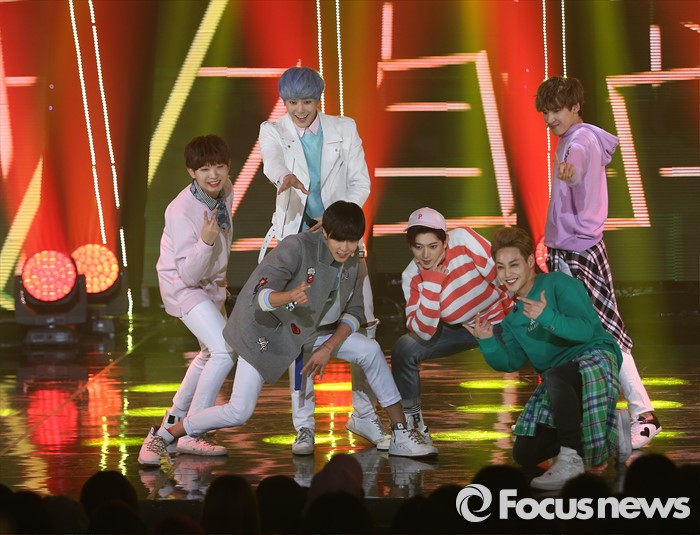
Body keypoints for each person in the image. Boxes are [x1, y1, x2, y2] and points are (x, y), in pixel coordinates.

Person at [137, 201, 437, 464]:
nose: (345, 248)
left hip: (313, 334)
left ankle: (401, 432)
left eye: (352, 241)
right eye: (339, 240)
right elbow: (259, 295)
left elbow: (355, 312)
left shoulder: (355, 263)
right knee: (239, 411)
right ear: (325, 233)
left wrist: (328, 347)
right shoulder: (297, 247)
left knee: (370, 350)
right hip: (265, 331)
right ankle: (164, 434)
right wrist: (289, 296)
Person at [258, 65, 386, 455]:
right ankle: (304, 426)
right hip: (298, 239)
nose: (299, 110)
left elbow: (360, 181)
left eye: (307, 102)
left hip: (339, 235)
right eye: (292, 103)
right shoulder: (273, 130)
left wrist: (332, 221)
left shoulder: (344, 128)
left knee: (364, 322)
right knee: (300, 332)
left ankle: (364, 413)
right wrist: (284, 177)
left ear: (319, 99)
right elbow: (272, 162)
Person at [535, 76, 661, 449]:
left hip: (579, 253)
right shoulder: (570, 140)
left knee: (604, 332)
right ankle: (567, 418)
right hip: (568, 249)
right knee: (565, 335)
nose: (549, 120)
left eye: (556, 111)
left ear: (575, 106)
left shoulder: (580, 141)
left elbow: (576, 166)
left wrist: (571, 172)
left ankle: (643, 414)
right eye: (545, 113)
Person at [466, 226, 622, 490]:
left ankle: (571, 457)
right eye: (501, 267)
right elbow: (511, 362)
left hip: (593, 358)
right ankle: (613, 430)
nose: (507, 274)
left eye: (514, 264)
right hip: (558, 381)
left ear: (529, 261)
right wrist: (488, 341)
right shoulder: (513, 319)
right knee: (525, 453)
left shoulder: (559, 284)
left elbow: (586, 330)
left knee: (555, 375)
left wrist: (547, 316)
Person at [139, 135, 234, 464]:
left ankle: (171, 423)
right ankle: (192, 432)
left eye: (219, 166)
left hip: (211, 285)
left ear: (228, 167)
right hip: (185, 286)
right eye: (204, 169)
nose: (213, 175)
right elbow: (189, 274)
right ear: (191, 172)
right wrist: (206, 243)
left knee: (209, 353)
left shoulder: (226, 189)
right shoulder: (181, 210)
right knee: (224, 350)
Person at [390, 207, 515, 451]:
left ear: (445, 241)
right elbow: (424, 331)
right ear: (410, 246)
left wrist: (517, 318)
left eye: (433, 246)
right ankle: (414, 427)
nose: (426, 254)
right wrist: (432, 284)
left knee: (544, 336)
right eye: (418, 247)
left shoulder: (462, 239)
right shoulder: (412, 276)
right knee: (404, 348)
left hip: (501, 320)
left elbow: (501, 274)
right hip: (460, 329)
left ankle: (546, 420)